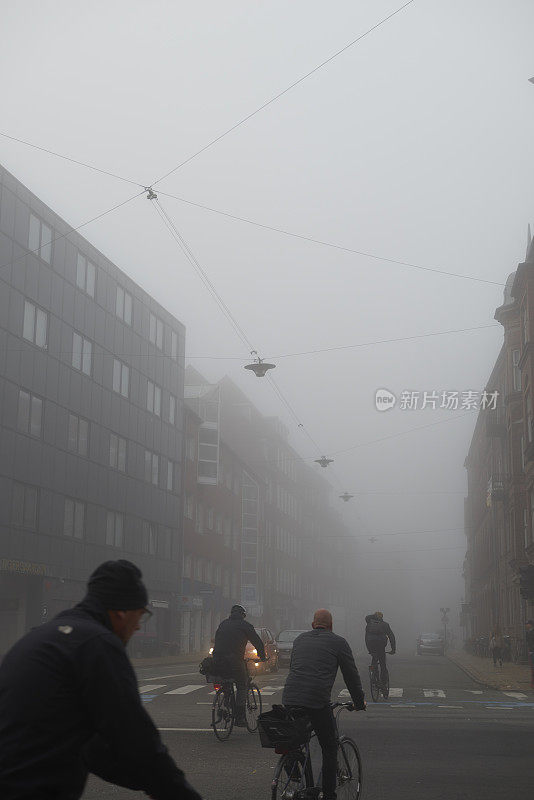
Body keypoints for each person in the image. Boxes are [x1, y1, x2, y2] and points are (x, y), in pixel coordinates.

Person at [0, 559, 203, 800]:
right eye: (140, 615)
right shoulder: (97, 645)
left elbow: (92, 749)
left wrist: (144, 779)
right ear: (121, 612)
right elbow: (138, 740)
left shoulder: (39, 638)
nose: (138, 626)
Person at [282, 609, 366, 800]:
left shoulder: (300, 640)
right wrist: (359, 702)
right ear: (331, 626)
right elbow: (351, 676)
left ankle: (297, 777)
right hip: (317, 701)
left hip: (290, 698)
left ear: (313, 625)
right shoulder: (338, 642)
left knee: (297, 740)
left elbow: (296, 667)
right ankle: (328, 794)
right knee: (329, 747)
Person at [212, 604, 266, 725]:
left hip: (217, 659)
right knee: (242, 685)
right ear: (243, 615)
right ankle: (239, 717)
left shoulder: (223, 624)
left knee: (225, 681)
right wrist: (262, 657)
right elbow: (257, 642)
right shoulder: (245, 626)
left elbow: (217, 640)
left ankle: (226, 703)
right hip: (234, 660)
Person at [365, 611, 396, 688]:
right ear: (382, 617)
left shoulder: (369, 624)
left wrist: (369, 649)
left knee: (374, 658)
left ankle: (373, 672)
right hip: (381, 646)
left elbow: (366, 637)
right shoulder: (385, 625)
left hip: (371, 645)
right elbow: (391, 637)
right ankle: (383, 683)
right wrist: (393, 649)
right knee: (382, 664)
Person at [526, 620, 534, 689]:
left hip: (532, 651)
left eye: (527, 624)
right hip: (531, 651)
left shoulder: (531, 632)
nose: (526, 625)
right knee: (532, 668)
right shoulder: (528, 632)